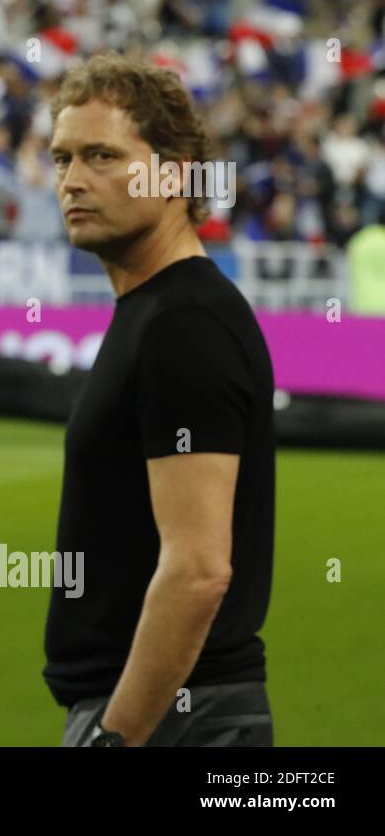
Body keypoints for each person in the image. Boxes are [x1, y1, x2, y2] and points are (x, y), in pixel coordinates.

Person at [45, 53, 275, 747]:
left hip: (178, 718)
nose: (73, 180)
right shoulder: (156, 312)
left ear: (173, 174)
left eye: (102, 156)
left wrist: (116, 737)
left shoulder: (185, 323)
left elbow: (199, 569)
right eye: (61, 159)